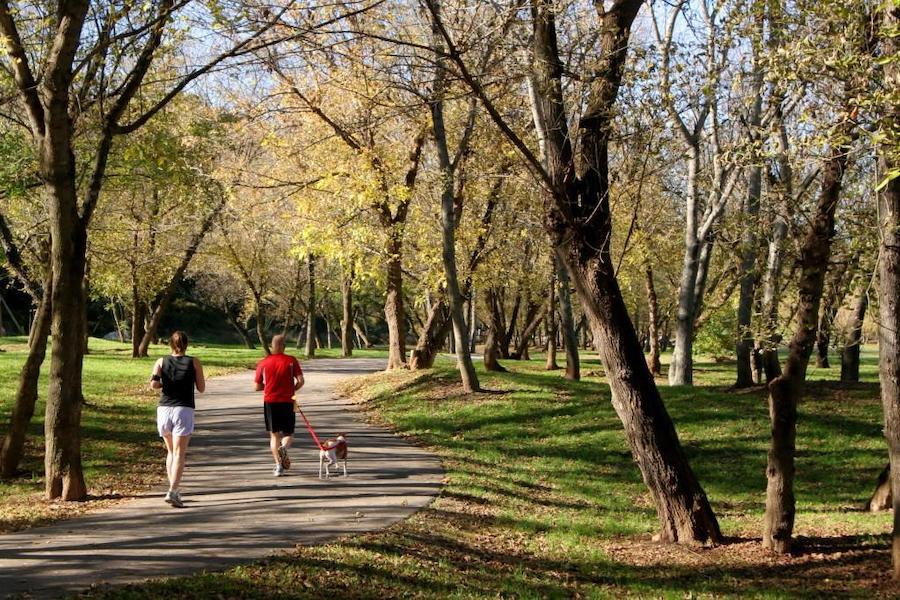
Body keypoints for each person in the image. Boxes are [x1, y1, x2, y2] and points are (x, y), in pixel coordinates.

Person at [150, 331, 205, 508]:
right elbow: (201, 388)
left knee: (171, 452)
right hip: (184, 408)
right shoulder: (194, 362)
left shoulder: (160, 361)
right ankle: (173, 491)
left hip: (164, 409)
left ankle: (173, 489)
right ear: (186, 344)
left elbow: (153, 384)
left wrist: (164, 383)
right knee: (180, 453)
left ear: (170, 345)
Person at [254, 334, 304, 476]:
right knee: (289, 433)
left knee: (274, 435)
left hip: (270, 401)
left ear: (271, 346)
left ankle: (278, 466)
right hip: (288, 401)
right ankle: (284, 447)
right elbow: (301, 381)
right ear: (284, 346)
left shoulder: (263, 362)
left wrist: (269, 386)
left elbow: (257, 386)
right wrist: (292, 389)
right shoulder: (291, 360)